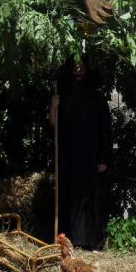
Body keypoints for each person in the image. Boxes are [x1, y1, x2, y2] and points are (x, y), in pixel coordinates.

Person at [49, 59, 111, 250]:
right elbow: (53, 125)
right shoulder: (62, 97)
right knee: (69, 196)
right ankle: (69, 240)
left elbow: (105, 129)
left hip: (91, 156)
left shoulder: (97, 98)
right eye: (75, 67)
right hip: (68, 156)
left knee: (91, 198)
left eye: (82, 66)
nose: (78, 71)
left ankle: (92, 240)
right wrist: (53, 106)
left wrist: (104, 158)